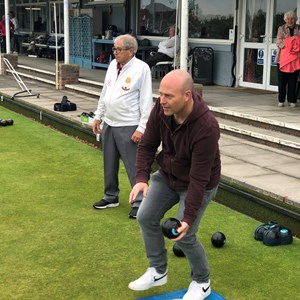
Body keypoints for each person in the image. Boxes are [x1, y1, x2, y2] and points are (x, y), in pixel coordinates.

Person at [128, 69, 221, 300]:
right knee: (145, 216)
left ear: (187, 96)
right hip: (168, 175)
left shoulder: (207, 127)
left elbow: (199, 178)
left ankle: (202, 281)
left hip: (198, 183)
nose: (162, 100)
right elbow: (147, 144)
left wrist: (187, 218)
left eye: (169, 95)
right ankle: (158, 271)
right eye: (161, 94)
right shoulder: (161, 109)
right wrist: (141, 178)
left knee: (184, 234)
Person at [92, 34, 153, 219]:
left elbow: (146, 100)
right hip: (109, 122)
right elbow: (105, 92)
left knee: (134, 166)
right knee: (108, 163)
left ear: (131, 51)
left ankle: (140, 201)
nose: (115, 52)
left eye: (119, 49)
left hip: (129, 124)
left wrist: (142, 128)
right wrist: (98, 116)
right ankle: (111, 196)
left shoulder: (141, 69)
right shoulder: (112, 65)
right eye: (114, 49)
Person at [276, 10, 300, 108]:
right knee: (282, 81)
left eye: (292, 19)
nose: (290, 21)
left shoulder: (299, 28)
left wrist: (293, 44)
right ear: (285, 20)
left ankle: (292, 100)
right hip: (283, 59)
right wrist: (291, 44)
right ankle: (281, 100)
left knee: (293, 81)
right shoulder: (281, 28)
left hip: (295, 59)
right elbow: (279, 42)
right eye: (288, 19)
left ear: (295, 19)